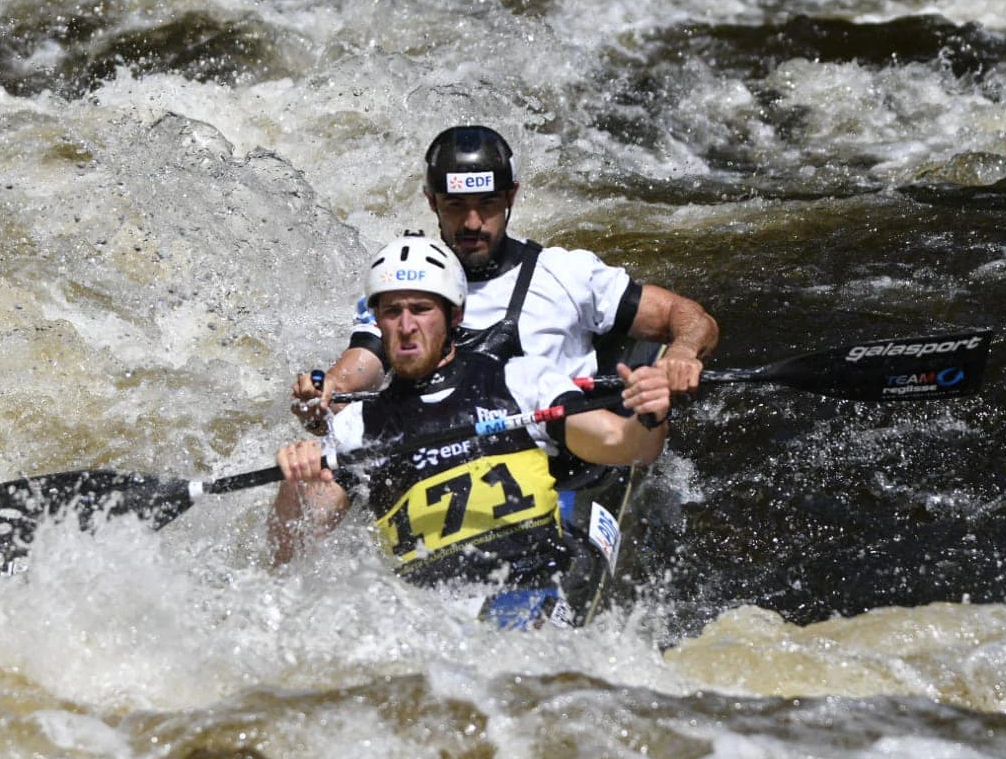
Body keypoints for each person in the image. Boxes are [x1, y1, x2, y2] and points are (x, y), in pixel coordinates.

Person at [269, 234, 672, 629]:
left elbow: (626, 446)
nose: (407, 326)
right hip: (429, 620)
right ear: (377, 322)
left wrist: (650, 415)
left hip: (528, 588)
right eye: (392, 312)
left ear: (454, 316)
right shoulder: (356, 426)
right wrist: (296, 480)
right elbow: (288, 553)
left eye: (422, 309)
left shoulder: (519, 380)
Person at [291, 125, 719, 431]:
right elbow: (363, 362)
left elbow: (688, 316)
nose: (472, 222)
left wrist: (682, 352)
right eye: (456, 205)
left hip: (567, 451)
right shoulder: (407, 285)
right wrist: (328, 391)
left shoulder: (566, 273)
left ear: (511, 196)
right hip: (455, 459)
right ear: (431, 201)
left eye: (488, 203)